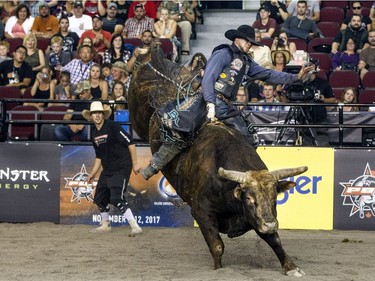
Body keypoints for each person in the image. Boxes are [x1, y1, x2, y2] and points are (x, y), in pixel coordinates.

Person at [139, 24, 314, 180]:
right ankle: (153, 167)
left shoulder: (246, 61)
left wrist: (295, 77)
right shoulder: (223, 53)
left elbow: (268, 74)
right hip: (208, 99)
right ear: (238, 39)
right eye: (248, 42)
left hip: (224, 104)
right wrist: (210, 105)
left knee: (249, 137)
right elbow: (208, 79)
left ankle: (239, 175)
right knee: (181, 133)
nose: (250, 45)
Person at [84, 101, 142, 235]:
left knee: (116, 197)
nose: (97, 116)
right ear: (91, 116)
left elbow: (130, 143)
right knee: (99, 197)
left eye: (99, 113)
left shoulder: (113, 126)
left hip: (121, 166)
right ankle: (106, 225)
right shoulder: (94, 134)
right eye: (94, 114)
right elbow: (99, 156)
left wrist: (135, 164)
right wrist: (92, 173)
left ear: (103, 115)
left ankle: (135, 226)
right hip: (108, 169)